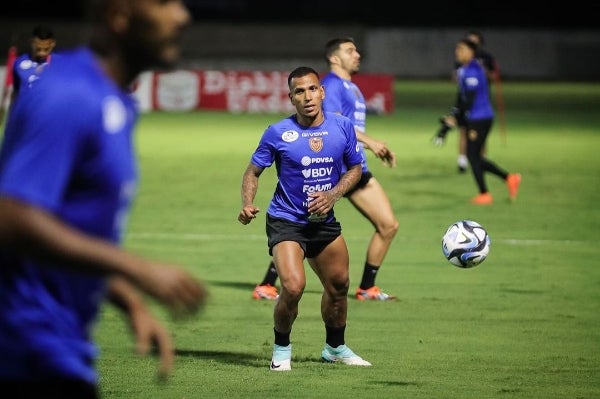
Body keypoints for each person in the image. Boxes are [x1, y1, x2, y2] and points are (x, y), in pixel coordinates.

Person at [0, 1, 207, 398]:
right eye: (164, 3)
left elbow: (65, 227)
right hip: (23, 349)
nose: (183, 16)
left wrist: (128, 300)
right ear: (119, 18)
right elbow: (11, 216)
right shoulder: (69, 93)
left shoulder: (114, 101)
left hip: (57, 345)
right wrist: (137, 269)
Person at [238, 66, 372, 371]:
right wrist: (247, 203)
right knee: (294, 286)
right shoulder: (277, 132)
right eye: (299, 92)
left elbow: (354, 168)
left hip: (323, 221)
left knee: (339, 286)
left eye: (312, 89)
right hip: (286, 220)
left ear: (322, 92)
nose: (307, 96)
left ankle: (335, 348)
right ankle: (281, 351)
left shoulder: (342, 127)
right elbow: (253, 171)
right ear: (291, 98)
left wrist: (334, 194)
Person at [253, 37, 398, 302]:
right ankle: (268, 283)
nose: (357, 55)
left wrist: (368, 144)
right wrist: (372, 142)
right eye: (350, 51)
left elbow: (343, 127)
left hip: (356, 166)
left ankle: (366, 287)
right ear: (334, 58)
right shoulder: (330, 86)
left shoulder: (349, 86)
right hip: (337, 169)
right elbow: (328, 124)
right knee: (302, 220)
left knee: (387, 225)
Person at [441, 38, 521, 205]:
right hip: (474, 117)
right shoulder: (464, 70)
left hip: (480, 118)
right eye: (457, 49)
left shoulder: (473, 71)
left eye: (461, 49)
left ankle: (486, 193)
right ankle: (509, 178)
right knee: (475, 156)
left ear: (471, 53)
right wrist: (454, 115)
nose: (458, 52)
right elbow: (460, 98)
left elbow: (469, 100)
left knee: (472, 155)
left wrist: (456, 119)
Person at [436, 30, 501, 173]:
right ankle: (462, 162)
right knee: (464, 133)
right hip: (467, 101)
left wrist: (482, 73)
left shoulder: (484, 59)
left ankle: (483, 164)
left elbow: (493, 75)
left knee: (478, 140)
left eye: (474, 40)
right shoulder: (462, 61)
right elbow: (455, 79)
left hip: (479, 105)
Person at [11, 25, 58, 101]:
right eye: (38, 49)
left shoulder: (61, 64)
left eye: (46, 49)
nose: (42, 53)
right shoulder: (19, 63)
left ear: (53, 44)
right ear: (31, 42)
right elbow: (16, 92)